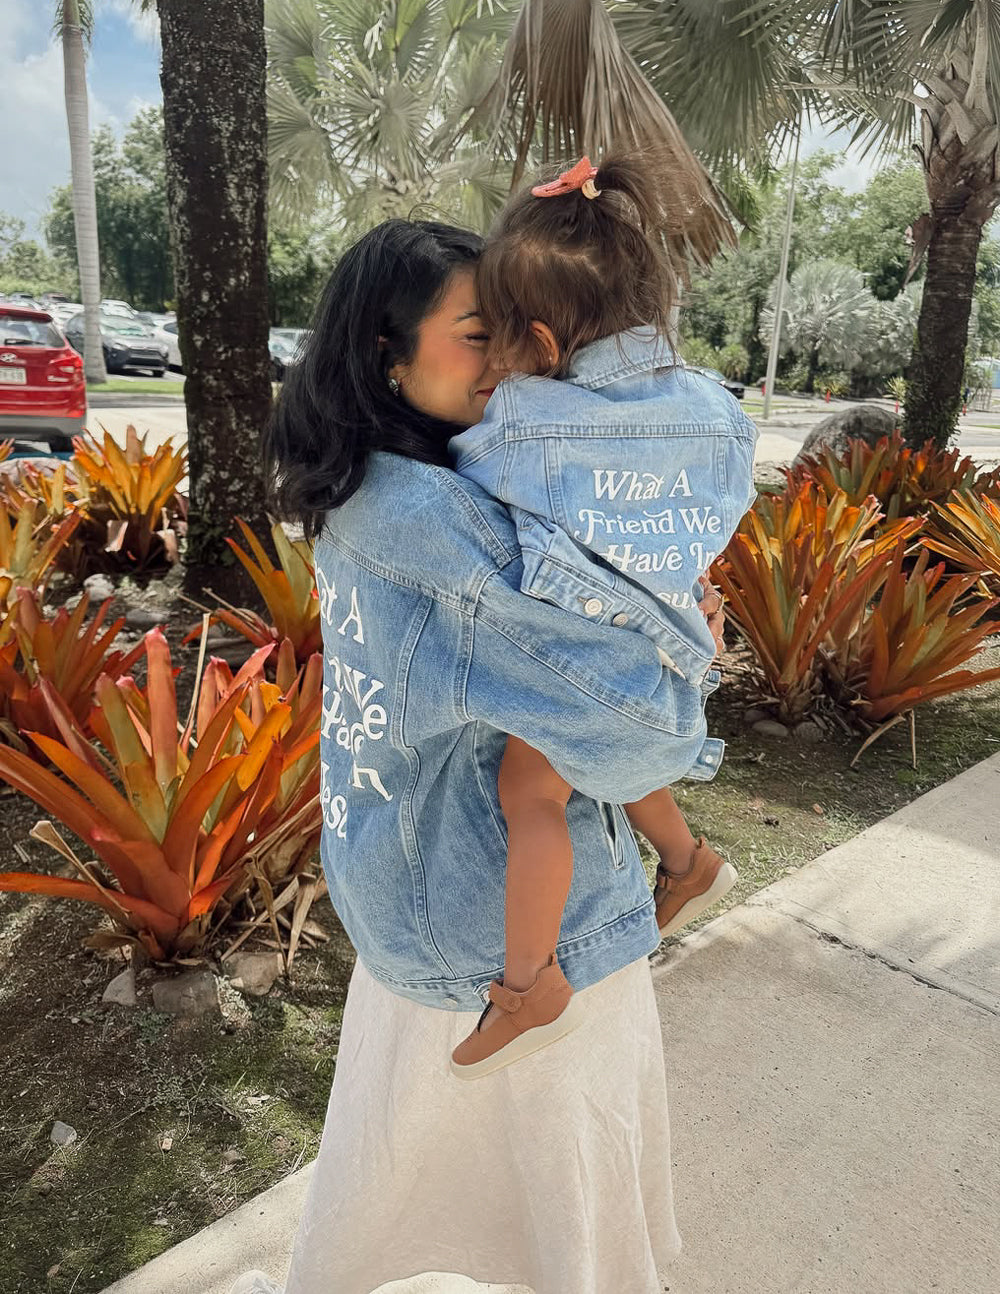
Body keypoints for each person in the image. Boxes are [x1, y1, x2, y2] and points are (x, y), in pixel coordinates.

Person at [237, 214, 732, 1294]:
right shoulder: (438, 520)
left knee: (401, 1203)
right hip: (496, 929)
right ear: (386, 350)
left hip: (407, 886)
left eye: (517, 328)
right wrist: (691, 654)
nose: (509, 359)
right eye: (477, 332)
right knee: (562, 1225)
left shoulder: (369, 479)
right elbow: (634, 730)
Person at [447, 154, 756, 1079]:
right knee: (609, 756)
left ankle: (530, 986)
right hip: (672, 658)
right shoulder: (714, 408)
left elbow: (466, 489)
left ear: (539, 342)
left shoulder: (528, 422)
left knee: (531, 792)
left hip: (589, 652)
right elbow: (727, 501)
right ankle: (689, 860)